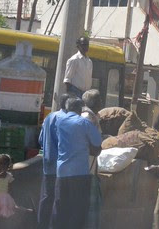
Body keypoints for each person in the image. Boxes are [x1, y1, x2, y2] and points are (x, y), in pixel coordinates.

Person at [51, 98, 102, 229]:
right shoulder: (84, 123)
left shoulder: (59, 121)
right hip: (79, 173)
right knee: (77, 211)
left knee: (60, 209)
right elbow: (97, 145)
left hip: (61, 172)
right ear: (80, 109)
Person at [37, 93, 70, 229]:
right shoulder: (66, 119)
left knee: (46, 197)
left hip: (47, 163)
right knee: (58, 200)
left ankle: (40, 225)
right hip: (60, 165)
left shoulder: (50, 116)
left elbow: (40, 140)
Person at [81, 89, 103, 229]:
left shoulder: (91, 116)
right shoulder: (88, 117)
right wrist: (97, 149)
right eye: (99, 99)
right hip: (87, 167)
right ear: (94, 102)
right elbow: (88, 143)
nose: (101, 102)